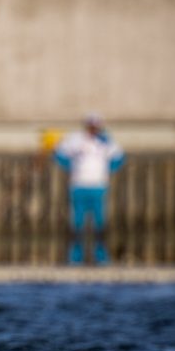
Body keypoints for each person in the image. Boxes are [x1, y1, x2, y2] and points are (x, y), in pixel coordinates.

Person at [54, 113, 125, 264]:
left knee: (100, 222)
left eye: (96, 126)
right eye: (91, 126)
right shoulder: (75, 139)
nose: (93, 129)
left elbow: (119, 157)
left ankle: (101, 257)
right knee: (77, 222)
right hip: (78, 186)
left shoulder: (106, 141)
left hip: (98, 187)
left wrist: (108, 169)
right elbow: (59, 154)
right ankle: (75, 258)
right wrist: (69, 167)